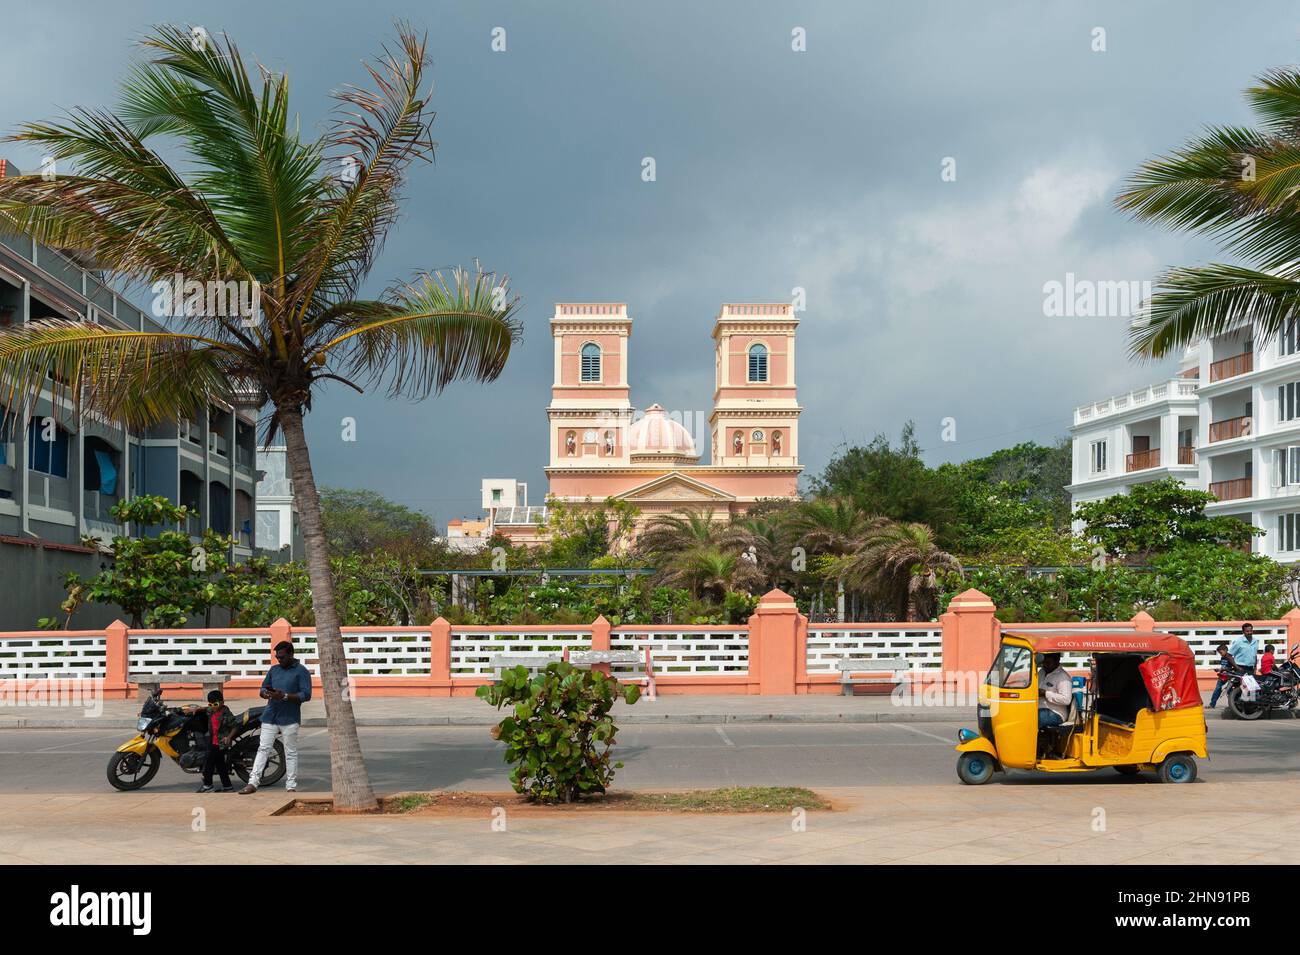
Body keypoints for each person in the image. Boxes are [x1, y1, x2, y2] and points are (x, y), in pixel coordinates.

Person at [238, 641, 311, 794]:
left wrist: (284, 696)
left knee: (290, 752)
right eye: (277, 657)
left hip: (290, 718)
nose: (279, 660)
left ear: (291, 655)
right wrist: (265, 693)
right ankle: (253, 783)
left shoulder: (301, 671)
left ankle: (291, 786)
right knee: (263, 749)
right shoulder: (274, 670)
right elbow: (263, 688)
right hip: (270, 716)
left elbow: (306, 695)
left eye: (282, 657)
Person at [186, 690, 237, 792]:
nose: (213, 706)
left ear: (222, 702)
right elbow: (206, 709)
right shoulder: (211, 710)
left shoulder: (226, 713)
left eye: (216, 704)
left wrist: (229, 737)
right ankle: (228, 786)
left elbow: (235, 726)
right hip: (212, 741)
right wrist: (198, 709)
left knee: (208, 763)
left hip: (220, 743)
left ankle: (207, 785)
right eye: (211, 704)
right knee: (220, 765)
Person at [1038, 652, 1072, 730]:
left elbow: (1066, 700)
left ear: (1057, 660)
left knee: (1035, 718)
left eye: (1048, 663)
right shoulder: (1041, 672)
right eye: (1044, 662)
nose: (1045, 665)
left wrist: (1045, 693)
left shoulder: (1063, 677)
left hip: (1056, 713)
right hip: (1038, 709)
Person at [1208, 643, 1239, 709]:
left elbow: (1235, 668)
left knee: (1229, 691)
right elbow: (1223, 667)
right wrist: (1219, 670)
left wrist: (1225, 669)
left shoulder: (1229, 657)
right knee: (1218, 689)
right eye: (1219, 653)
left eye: (1221, 652)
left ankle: (1233, 705)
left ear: (1226, 650)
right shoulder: (1222, 657)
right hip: (1223, 676)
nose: (1220, 654)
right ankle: (1212, 704)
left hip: (1229, 676)